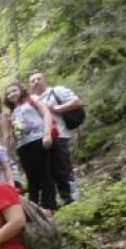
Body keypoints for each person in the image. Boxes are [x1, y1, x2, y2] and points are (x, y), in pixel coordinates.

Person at [29, 71, 82, 205]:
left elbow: (77, 101)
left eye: (38, 79)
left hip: (60, 134)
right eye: (32, 81)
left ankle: (71, 197)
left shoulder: (57, 91)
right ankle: (61, 197)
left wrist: (57, 108)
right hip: (43, 138)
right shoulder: (32, 100)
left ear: (44, 79)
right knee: (51, 169)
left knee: (63, 166)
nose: (36, 82)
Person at [4, 81, 56, 213]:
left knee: (45, 172)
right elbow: (13, 133)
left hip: (38, 139)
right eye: (8, 93)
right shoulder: (12, 112)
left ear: (21, 90)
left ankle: (48, 205)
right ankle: (33, 206)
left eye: (14, 90)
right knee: (31, 177)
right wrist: (13, 149)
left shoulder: (32, 99)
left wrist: (47, 134)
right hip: (23, 146)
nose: (11, 94)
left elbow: (46, 114)